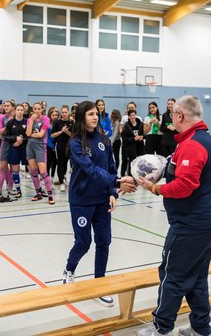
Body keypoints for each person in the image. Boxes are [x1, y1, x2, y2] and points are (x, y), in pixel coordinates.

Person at [138, 95, 211, 336]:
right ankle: (201, 328)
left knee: (172, 277)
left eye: (173, 115)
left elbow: (184, 185)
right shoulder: (198, 139)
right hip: (201, 226)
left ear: (179, 116)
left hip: (190, 227)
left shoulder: (193, 144)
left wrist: (155, 189)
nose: (172, 119)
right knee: (197, 277)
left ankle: (161, 329)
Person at [62, 101, 136, 307]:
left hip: (102, 200)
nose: (95, 117)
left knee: (104, 242)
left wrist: (113, 192)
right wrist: (118, 182)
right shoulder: (76, 143)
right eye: (90, 114)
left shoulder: (104, 138)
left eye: (96, 113)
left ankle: (99, 284)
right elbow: (91, 170)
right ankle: (69, 269)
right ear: (81, 117)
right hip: (82, 201)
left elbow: (111, 166)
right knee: (83, 243)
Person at [26, 102, 55, 205]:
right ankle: (38, 193)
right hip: (30, 146)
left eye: (39, 109)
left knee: (43, 172)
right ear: (32, 110)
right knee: (33, 171)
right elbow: (27, 133)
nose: (37, 111)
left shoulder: (46, 119)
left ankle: (50, 195)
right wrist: (32, 121)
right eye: (35, 109)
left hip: (40, 146)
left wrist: (33, 134)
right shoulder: (30, 120)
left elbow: (41, 134)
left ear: (42, 110)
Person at [4, 104, 28, 200]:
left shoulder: (28, 121)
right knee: (15, 169)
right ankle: (18, 190)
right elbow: (5, 136)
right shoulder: (10, 123)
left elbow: (30, 135)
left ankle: (38, 190)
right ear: (15, 111)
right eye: (18, 109)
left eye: (21, 110)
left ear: (24, 111)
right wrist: (15, 139)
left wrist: (21, 140)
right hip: (14, 148)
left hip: (25, 148)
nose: (20, 111)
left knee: (31, 168)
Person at [51, 105, 74, 192]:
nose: (64, 114)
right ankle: (61, 183)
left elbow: (73, 135)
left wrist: (66, 131)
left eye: (65, 112)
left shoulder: (72, 123)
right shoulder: (57, 123)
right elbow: (52, 135)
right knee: (60, 163)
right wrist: (61, 131)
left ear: (68, 113)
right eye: (63, 112)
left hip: (69, 146)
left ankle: (64, 177)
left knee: (66, 162)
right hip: (60, 146)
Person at [121, 109, 144, 177]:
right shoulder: (126, 126)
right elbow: (124, 138)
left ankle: (139, 176)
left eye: (133, 115)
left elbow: (144, 134)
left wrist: (142, 137)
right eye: (130, 115)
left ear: (135, 115)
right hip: (129, 148)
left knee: (140, 162)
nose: (132, 117)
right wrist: (133, 139)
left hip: (139, 146)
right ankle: (128, 176)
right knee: (130, 162)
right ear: (128, 117)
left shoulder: (141, 124)